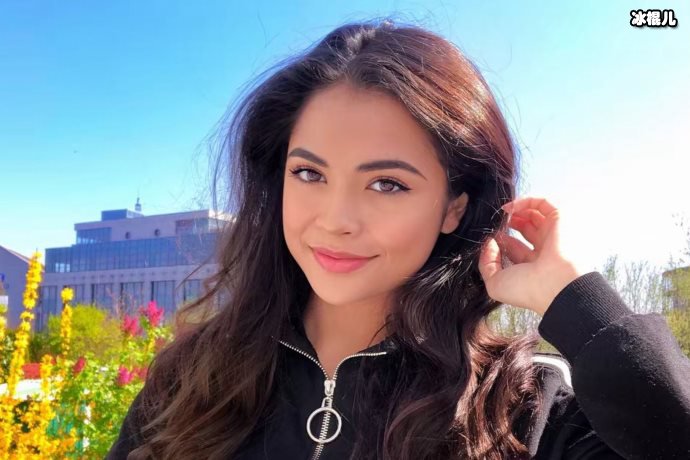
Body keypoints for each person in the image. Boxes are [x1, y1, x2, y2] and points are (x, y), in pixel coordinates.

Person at [106, 18, 690, 460]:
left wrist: (576, 298)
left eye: (387, 184)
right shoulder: (194, 382)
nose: (336, 219)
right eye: (308, 173)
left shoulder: (520, 408)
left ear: (454, 207)